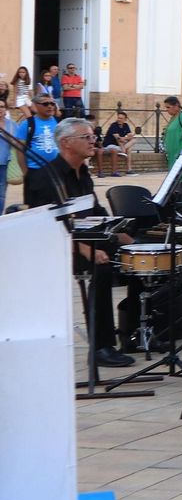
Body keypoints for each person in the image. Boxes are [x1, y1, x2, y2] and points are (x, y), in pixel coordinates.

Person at [23, 117, 135, 367]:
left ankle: (136, 333)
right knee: (102, 269)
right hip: (57, 246)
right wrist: (85, 249)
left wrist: (120, 232)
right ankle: (101, 346)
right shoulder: (44, 176)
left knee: (138, 253)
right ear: (66, 143)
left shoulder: (83, 172)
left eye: (93, 136)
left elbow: (94, 210)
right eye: (86, 137)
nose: (93, 141)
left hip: (88, 237)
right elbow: (48, 223)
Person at [100, 109, 133, 177]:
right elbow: (118, 138)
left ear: (125, 119)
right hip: (109, 146)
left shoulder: (126, 125)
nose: (119, 119)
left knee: (134, 141)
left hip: (119, 146)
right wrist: (123, 142)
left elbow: (130, 136)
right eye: (118, 118)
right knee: (128, 148)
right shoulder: (114, 125)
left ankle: (129, 169)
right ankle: (128, 169)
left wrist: (124, 139)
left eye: (121, 118)